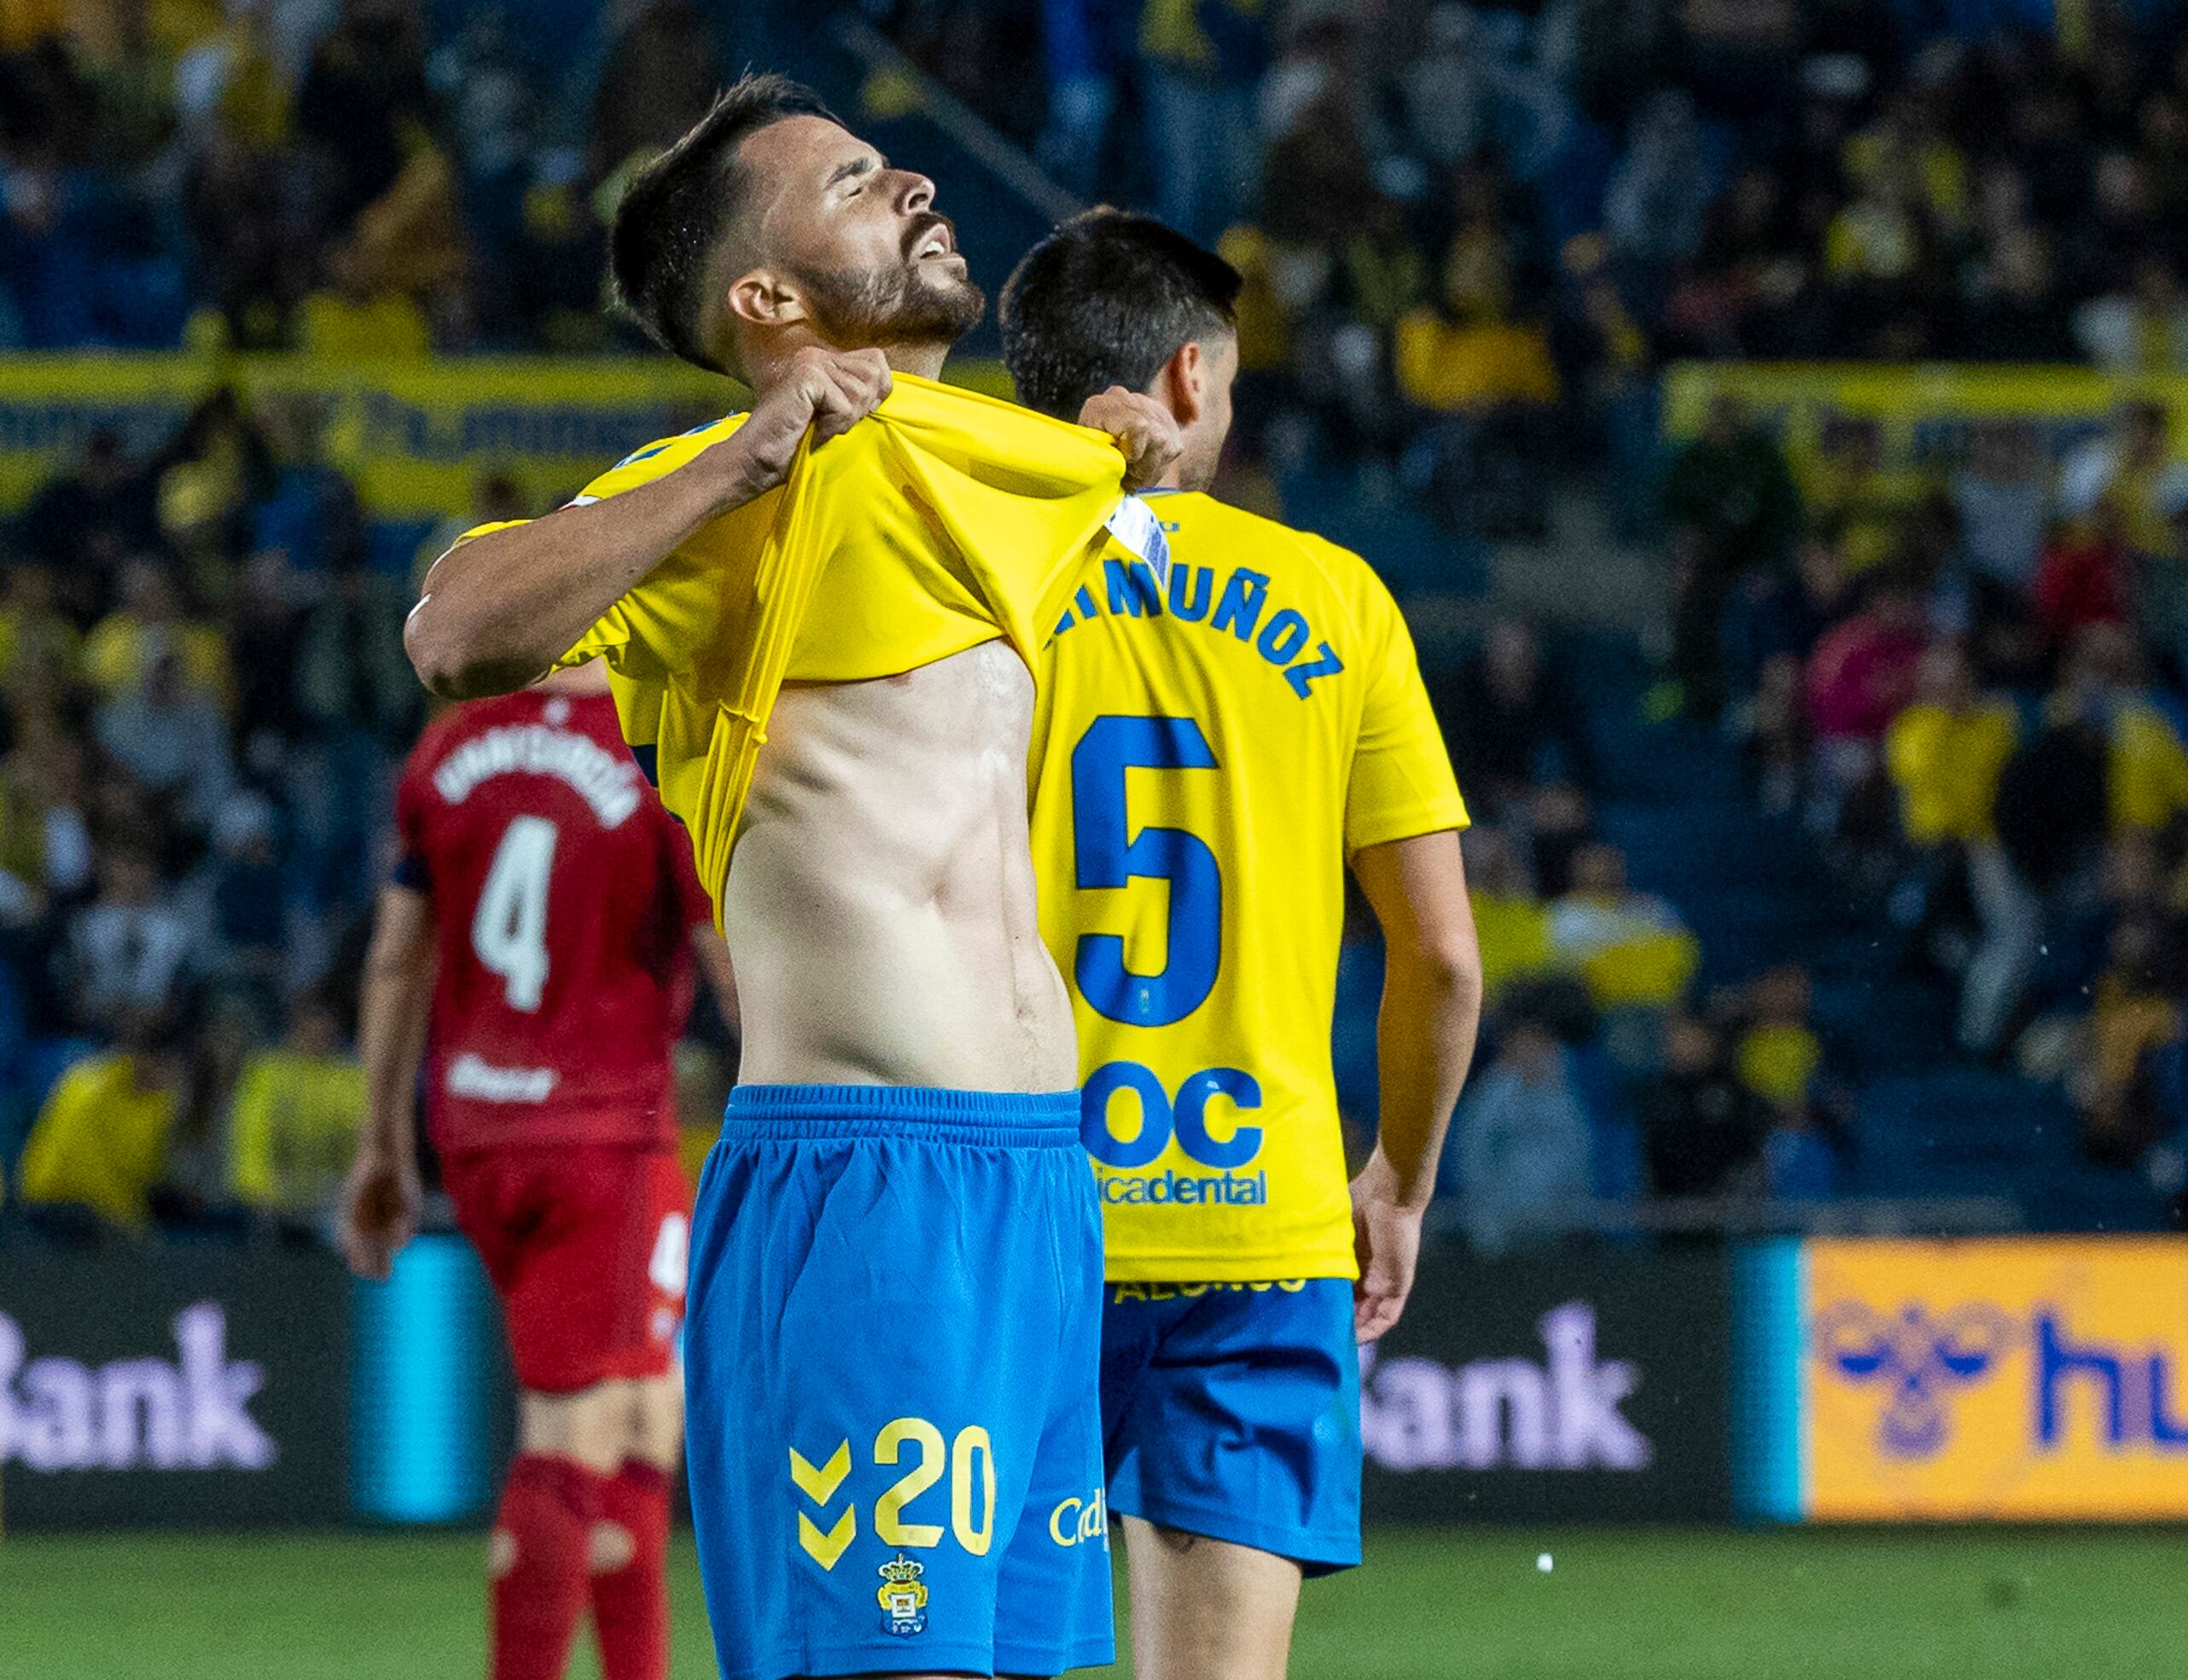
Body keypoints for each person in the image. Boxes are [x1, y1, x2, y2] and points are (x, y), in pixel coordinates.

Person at [399, 75, 1181, 1680]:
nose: (904, 178)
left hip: (1039, 1193)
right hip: (863, 1188)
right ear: (764, 297)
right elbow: (454, 629)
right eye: (845, 180)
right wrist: (733, 466)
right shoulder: (721, 492)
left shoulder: (990, 467)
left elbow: (1116, 513)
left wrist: (1138, 471)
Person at [1002, 210, 1482, 1680]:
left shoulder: (962, 589)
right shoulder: (1339, 601)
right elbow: (1443, 958)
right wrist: (1395, 1174)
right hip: (1260, 1222)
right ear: (1193, 379)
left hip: (1010, 1202)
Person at [338, 662, 733, 1680]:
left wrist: (382, 1140)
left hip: (479, 1131)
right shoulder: (654, 755)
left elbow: (395, 959)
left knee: (649, 1417)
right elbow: (727, 958)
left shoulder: (449, 749)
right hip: (605, 1133)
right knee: (575, 1428)